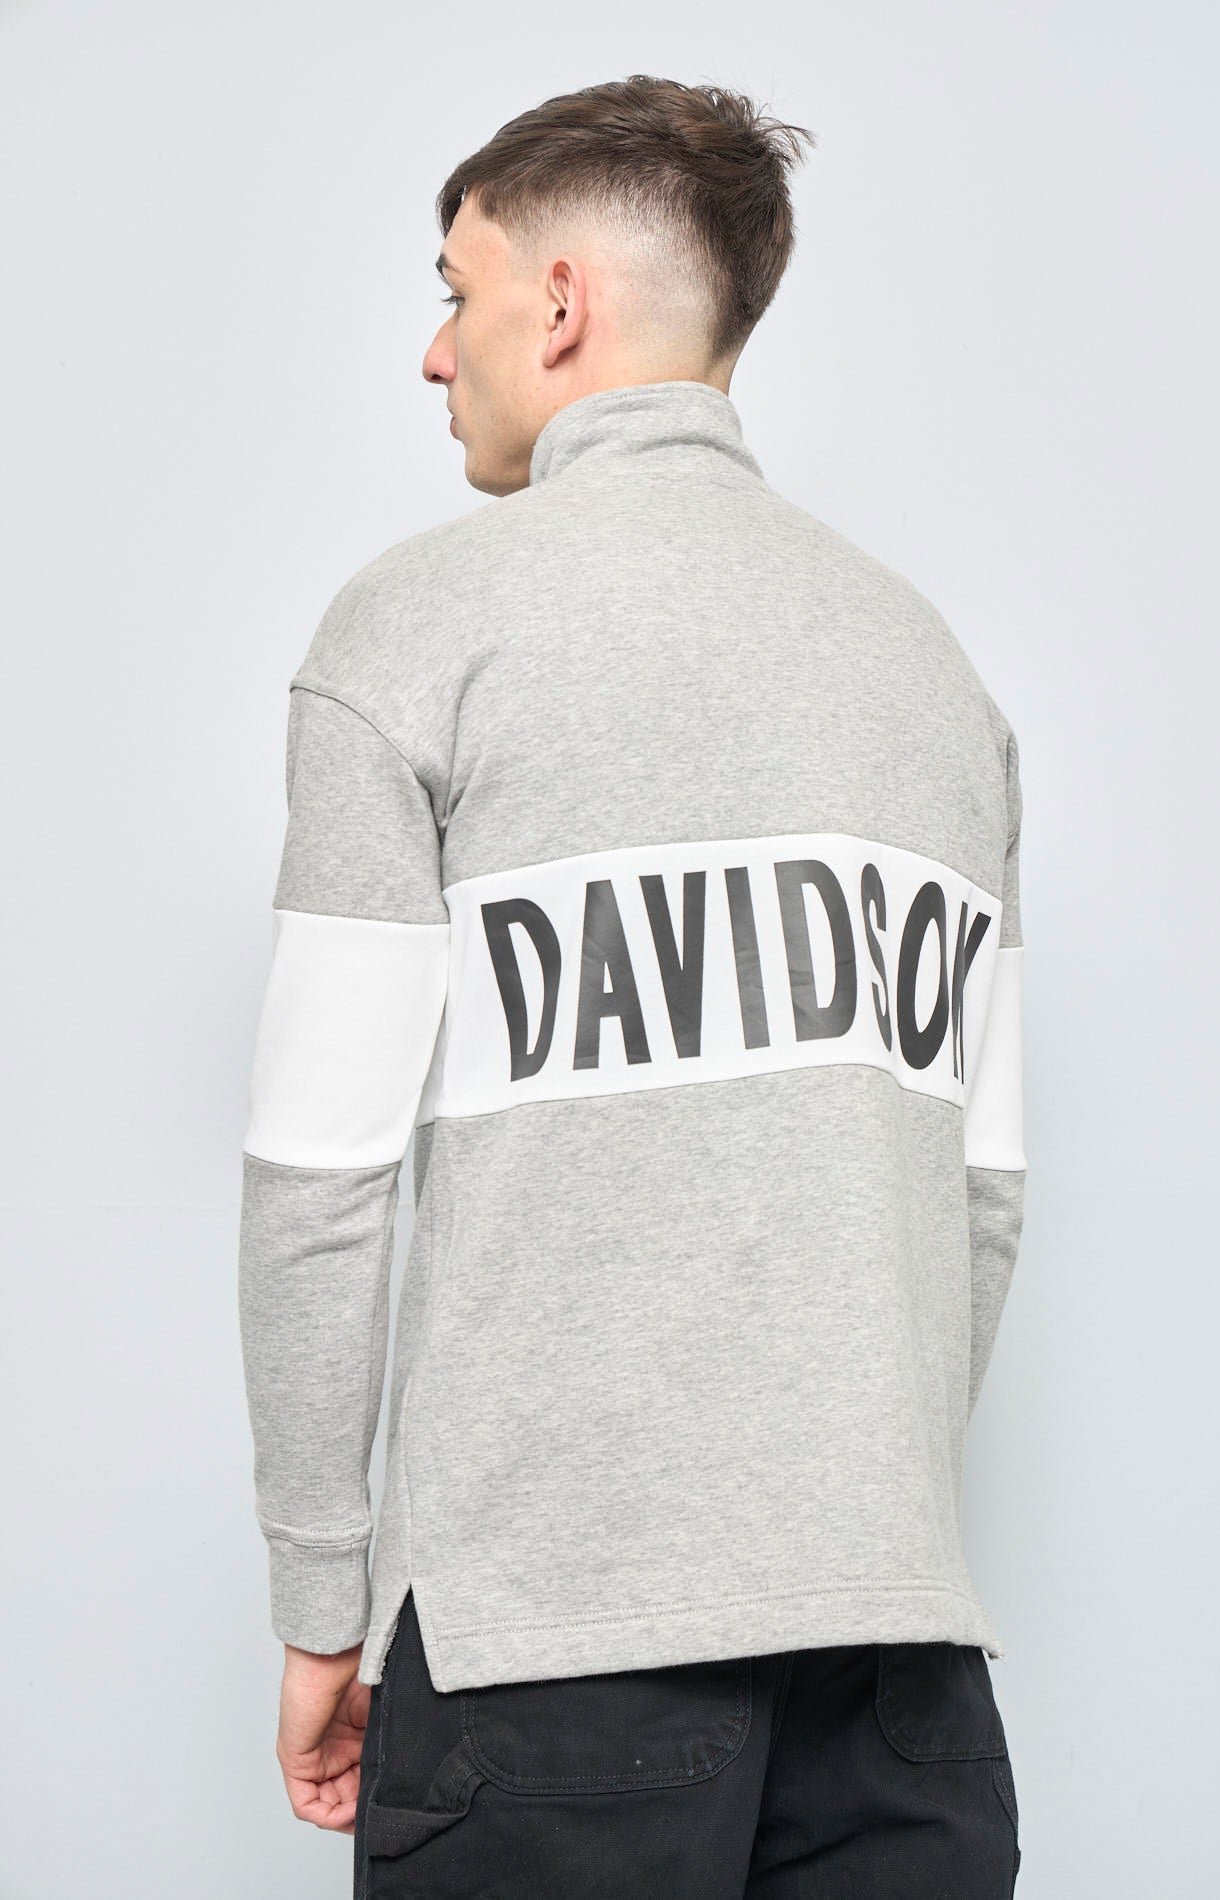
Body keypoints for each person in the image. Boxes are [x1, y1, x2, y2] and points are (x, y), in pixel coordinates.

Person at [237, 73, 1027, 1898]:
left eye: (455, 291)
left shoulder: (415, 629)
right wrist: (846, 1510)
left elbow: (319, 1186)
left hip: (545, 1655)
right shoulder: (936, 675)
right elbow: (979, 1198)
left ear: (560, 303)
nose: (435, 350)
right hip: (902, 1674)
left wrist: (319, 1602)